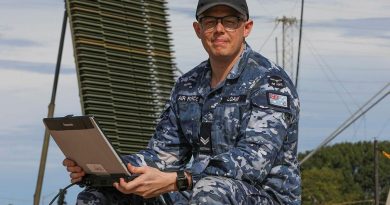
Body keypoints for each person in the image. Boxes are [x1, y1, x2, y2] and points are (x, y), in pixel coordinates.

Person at [64, 0, 301, 204]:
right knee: (100, 196)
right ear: (198, 29)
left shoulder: (269, 81)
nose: (219, 29)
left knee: (210, 192)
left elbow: (253, 161)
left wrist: (178, 180)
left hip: (263, 196)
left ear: (246, 27)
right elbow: (161, 155)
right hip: (194, 188)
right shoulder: (188, 85)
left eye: (229, 21)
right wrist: (109, 168)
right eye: (210, 21)